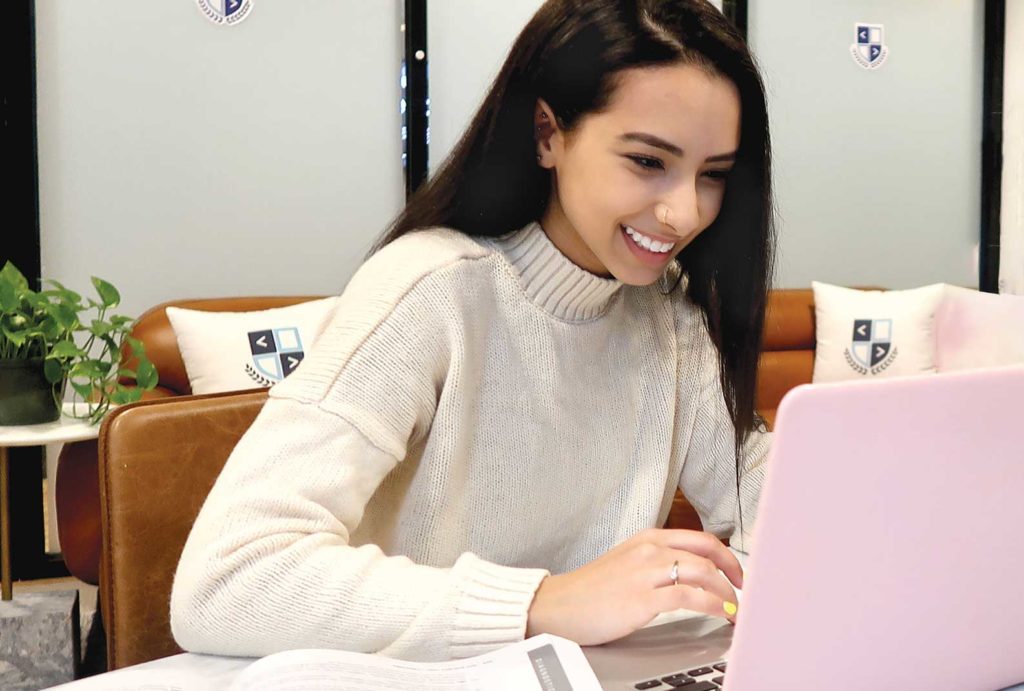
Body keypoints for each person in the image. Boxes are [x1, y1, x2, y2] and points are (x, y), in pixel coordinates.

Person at [171, 0, 775, 662]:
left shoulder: (671, 318)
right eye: (647, 161)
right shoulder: (429, 289)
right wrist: (542, 603)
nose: (685, 211)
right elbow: (225, 581)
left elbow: (775, 516)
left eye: (714, 174)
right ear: (548, 134)